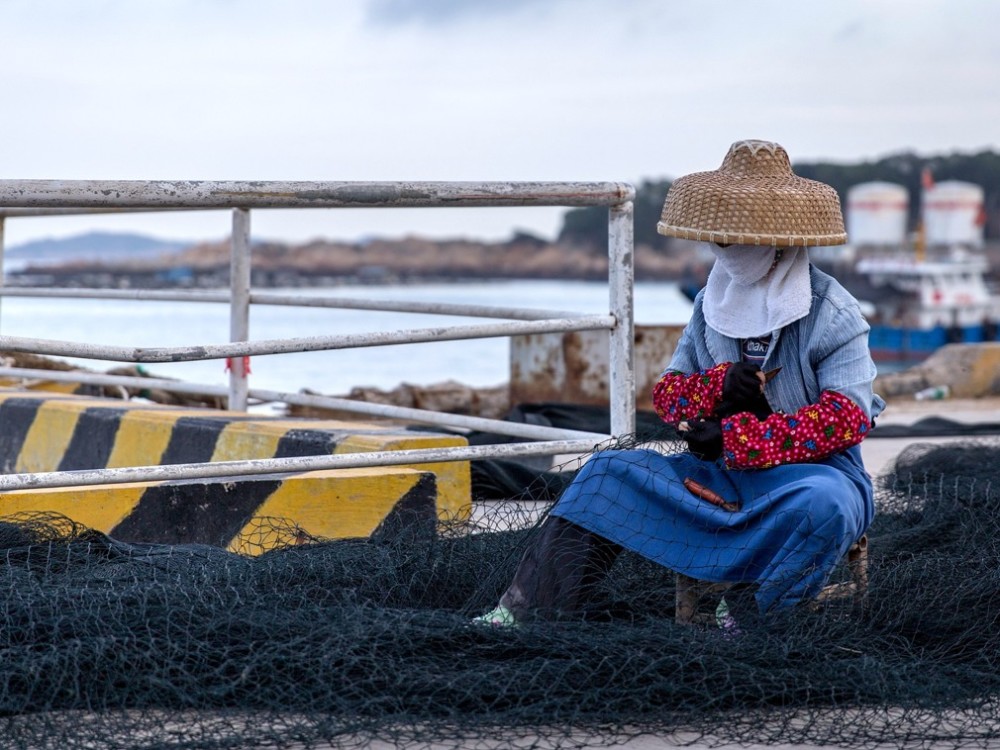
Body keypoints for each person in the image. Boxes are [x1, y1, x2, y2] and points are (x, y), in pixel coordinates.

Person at [476, 139, 885, 627]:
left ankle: (747, 619)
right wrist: (716, 386)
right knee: (606, 472)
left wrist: (734, 439)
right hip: (718, 477)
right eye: (723, 238)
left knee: (827, 506)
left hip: (812, 478)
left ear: (780, 240)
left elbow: (846, 419)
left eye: (743, 238)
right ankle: (530, 611)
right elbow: (668, 395)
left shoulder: (832, 313)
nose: (728, 248)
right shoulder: (711, 302)